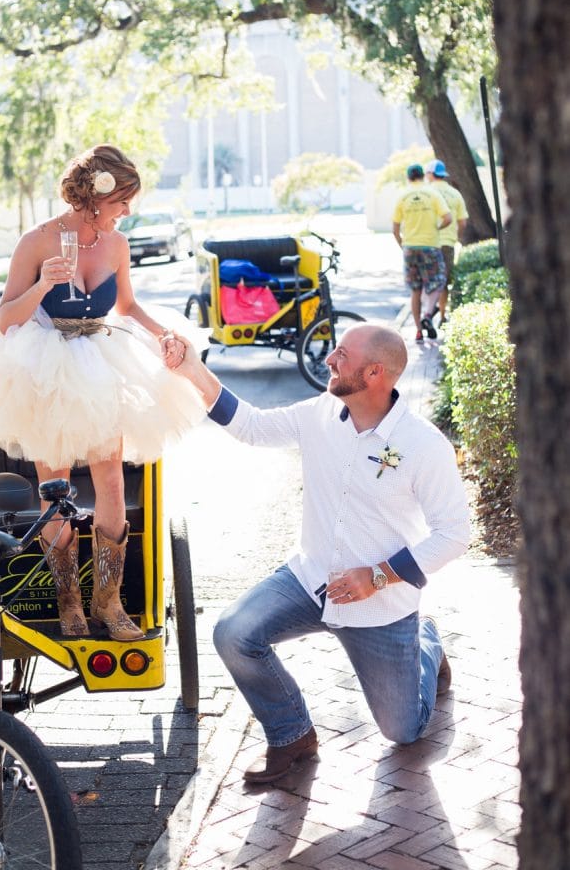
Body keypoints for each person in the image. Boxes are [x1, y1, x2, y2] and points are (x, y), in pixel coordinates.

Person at [0, 143, 206, 641]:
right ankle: (68, 602)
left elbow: (128, 306)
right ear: (95, 198)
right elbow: (6, 320)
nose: (128, 212)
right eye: (123, 201)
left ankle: (108, 603)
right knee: (57, 491)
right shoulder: (38, 241)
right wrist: (40, 285)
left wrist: (163, 335)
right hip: (44, 364)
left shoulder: (116, 244)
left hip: (99, 359)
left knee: (112, 481)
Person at [163, 322, 470, 784]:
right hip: (310, 581)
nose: (329, 358)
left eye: (342, 355)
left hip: (381, 606)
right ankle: (291, 735)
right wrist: (192, 370)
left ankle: (426, 644)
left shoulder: (423, 445)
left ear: (374, 374)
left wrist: (379, 576)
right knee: (233, 633)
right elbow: (251, 426)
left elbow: (454, 533)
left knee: (403, 732)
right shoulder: (321, 413)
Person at [392, 164, 452, 343]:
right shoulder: (432, 194)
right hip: (430, 246)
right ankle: (428, 314)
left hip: (410, 247)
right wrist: (436, 228)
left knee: (415, 289)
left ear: (408, 178)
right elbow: (448, 218)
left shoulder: (402, 196)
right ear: (423, 177)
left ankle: (418, 330)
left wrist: (403, 245)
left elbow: (395, 228)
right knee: (439, 281)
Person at [425, 159, 469, 326]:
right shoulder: (455, 194)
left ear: (430, 174)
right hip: (447, 243)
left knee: (428, 280)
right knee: (444, 281)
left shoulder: (426, 193)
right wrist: (456, 236)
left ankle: (427, 313)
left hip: (428, 243)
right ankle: (443, 316)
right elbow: (463, 222)